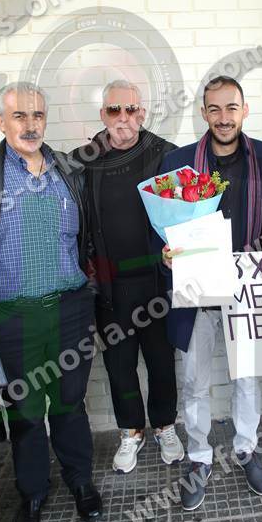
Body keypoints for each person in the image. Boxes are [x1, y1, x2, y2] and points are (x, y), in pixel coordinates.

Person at [0, 82, 102, 522]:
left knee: (70, 401)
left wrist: (90, 291)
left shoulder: (69, 170)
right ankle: (32, 493)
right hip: (11, 316)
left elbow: (87, 238)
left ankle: (80, 479)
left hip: (69, 309)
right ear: (0, 122)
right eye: (19, 116)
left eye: (38, 115)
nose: (30, 125)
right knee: (25, 410)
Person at [161, 75, 262, 511]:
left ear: (244, 110)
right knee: (194, 382)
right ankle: (199, 456)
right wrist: (167, 253)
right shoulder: (178, 162)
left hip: (245, 291)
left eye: (231, 108)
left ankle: (246, 447)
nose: (223, 117)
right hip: (197, 293)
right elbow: (164, 223)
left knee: (246, 378)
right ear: (204, 113)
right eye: (214, 109)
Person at [73, 80, 184, 473]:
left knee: (161, 363)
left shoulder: (166, 154)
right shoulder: (83, 161)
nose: (123, 117)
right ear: (102, 114)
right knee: (119, 367)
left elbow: (185, 216)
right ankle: (131, 431)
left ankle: (165, 426)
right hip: (109, 287)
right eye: (114, 110)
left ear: (143, 112)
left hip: (156, 283)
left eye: (131, 109)